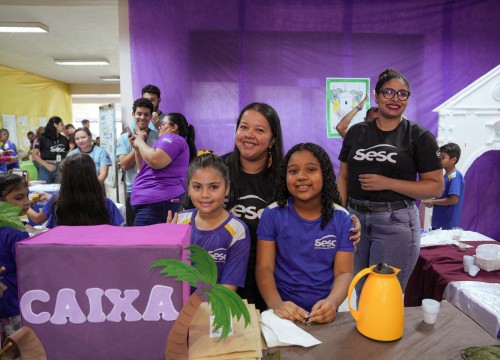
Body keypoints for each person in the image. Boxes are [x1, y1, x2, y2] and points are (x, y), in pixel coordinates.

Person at [223, 103, 360, 311]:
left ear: (273, 140)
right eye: (243, 127)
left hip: (266, 288)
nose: (249, 134)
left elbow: (343, 269)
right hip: (226, 273)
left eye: (259, 130)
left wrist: (348, 222)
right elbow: (193, 213)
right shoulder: (217, 170)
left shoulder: (284, 176)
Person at [338, 68, 443, 294]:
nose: (395, 99)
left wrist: (387, 182)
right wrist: (340, 213)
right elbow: (343, 176)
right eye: (388, 92)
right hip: (354, 221)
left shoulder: (419, 137)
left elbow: (435, 186)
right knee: (359, 289)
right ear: (376, 96)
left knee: (382, 295)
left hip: (395, 222)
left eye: (402, 94)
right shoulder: (357, 132)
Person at [256, 143, 354, 324]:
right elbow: (264, 268)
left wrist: (332, 303)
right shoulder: (272, 214)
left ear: (324, 174)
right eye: (293, 171)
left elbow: (344, 272)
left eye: (311, 169)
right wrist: (277, 304)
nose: (301, 177)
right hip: (283, 312)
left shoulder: (341, 218)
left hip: (324, 312)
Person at [171, 153, 251, 290]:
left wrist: (194, 310)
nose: (205, 194)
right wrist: (166, 243)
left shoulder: (237, 230)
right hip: (178, 305)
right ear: (188, 189)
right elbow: (167, 276)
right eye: (197, 187)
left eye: (213, 187)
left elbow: (228, 290)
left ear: (227, 188)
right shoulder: (178, 222)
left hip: (215, 307)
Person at [130, 112, 196, 226]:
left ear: (174, 127)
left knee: (143, 242)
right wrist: (137, 148)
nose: (159, 127)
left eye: (162, 124)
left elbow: (155, 160)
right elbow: (143, 168)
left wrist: (140, 141)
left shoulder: (173, 138)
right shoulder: (165, 142)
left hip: (157, 201)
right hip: (153, 202)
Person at [27, 154, 124, 228]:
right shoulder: (106, 204)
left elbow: (52, 232)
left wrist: (23, 205)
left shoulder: (59, 207)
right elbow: (120, 232)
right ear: (93, 177)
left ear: (65, 180)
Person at [116, 98, 159, 225]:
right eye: (139, 113)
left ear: (151, 116)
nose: (142, 117)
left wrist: (139, 142)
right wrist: (138, 144)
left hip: (154, 189)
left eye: (146, 114)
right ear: (133, 114)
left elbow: (158, 162)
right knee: (133, 232)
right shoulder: (124, 138)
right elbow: (124, 165)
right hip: (133, 190)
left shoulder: (158, 136)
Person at [0, 173, 31, 343]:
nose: (27, 201)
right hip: (12, 305)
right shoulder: (14, 234)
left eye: (27, 195)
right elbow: (30, 269)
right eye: (19, 198)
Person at [423, 143, 465, 230]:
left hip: (447, 226)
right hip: (438, 223)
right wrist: (431, 202)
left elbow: (453, 200)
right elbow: (443, 198)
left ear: (453, 160)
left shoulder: (455, 176)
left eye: (443, 158)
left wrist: (433, 202)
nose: (439, 160)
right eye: (439, 158)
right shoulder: (444, 176)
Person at [31, 116, 69, 184]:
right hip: (46, 167)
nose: (63, 126)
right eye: (61, 124)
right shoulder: (43, 137)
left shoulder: (64, 139)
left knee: (61, 191)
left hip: (61, 168)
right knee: (44, 190)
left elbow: (67, 153)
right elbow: (34, 154)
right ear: (55, 125)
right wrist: (46, 165)